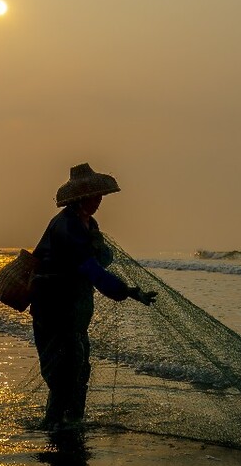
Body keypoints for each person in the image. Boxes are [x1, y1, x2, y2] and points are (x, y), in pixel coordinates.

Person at [30, 163, 156, 430]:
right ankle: (54, 427)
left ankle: (72, 422)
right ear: (79, 197)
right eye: (94, 195)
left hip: (75, 311)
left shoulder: (89, 223)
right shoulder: (65, 227)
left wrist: (99, 248)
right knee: (66, 369)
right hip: (54, 308)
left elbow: (102, 260)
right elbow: (91, 269)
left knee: (79, 367)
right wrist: (129, 291)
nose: (99, 200)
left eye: (100, 195)